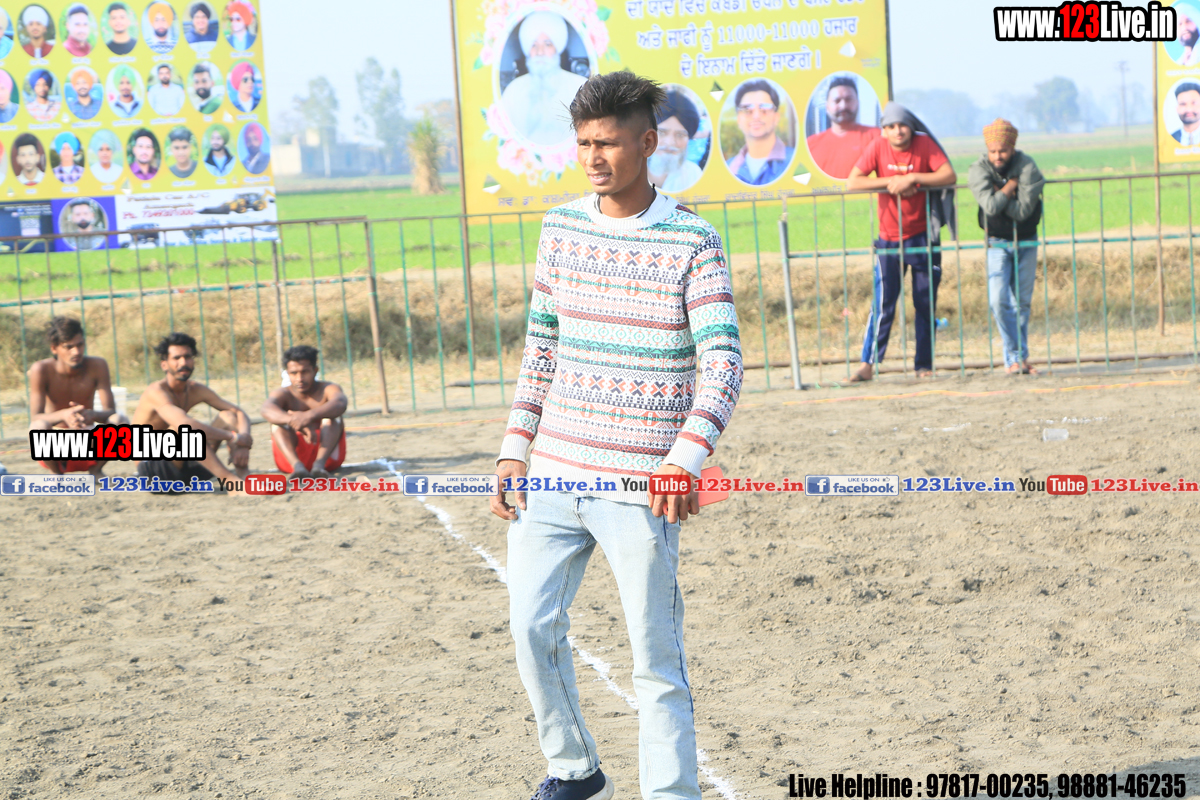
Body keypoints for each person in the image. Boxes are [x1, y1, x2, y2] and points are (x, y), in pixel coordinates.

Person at [490, 71, 743, 800]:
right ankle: (575, 770)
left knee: (654, 660)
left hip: (643, 488)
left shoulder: (693, 239)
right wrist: (514, 449)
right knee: (530, 630)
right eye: (583, 143)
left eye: (607, 142)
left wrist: (683, 461)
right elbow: (541, 347)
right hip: (552, 474)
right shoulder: (560, 229)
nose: (594, 157)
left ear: (649, 142)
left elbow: (723, 363)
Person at [846, 103, 957, 381]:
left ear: (911, 127)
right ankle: (868, 364)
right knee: (883, 304)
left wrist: (913, 179)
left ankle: (923, 365)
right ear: (884, 130)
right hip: (888, 240)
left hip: (923, 237)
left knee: (925, 303)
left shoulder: (924, 144)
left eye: (902, 125)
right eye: (891, 126)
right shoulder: (877, 146)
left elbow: (948, 175)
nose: (898, 131)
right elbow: (854, 182)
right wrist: (891, 182)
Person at [967, 118, 1045, 376]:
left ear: (1012, 148)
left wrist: (999, 193)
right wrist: (1011, 186)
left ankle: (1016, 359)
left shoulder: (1027, 166)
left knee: (1022, 303)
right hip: (997, 242)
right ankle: (1016, 357)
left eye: (1003, 151)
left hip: (1026, 240)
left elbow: (1023, 211)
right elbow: (989, 207)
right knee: (998, 300)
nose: (997, 156)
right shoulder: (979, 169)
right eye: (993, 151)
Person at [132, 332, 253, 493]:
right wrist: (233, 437)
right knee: (183, 429)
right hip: (155, 473)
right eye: (176, 358)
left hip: (189, 471)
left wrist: (244, 441)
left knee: (228, 416)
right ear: (164, 365)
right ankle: (231, 482)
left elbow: (238, 412)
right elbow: (185, 425)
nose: (183, 362)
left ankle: (243, 474)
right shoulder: (156, 392)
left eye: (188, 357)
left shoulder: (195, 389)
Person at [28, 317, 127, 475]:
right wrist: (64, 415)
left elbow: (110, 411)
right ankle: (56, 474)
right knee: (37, 427)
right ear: (54, 348)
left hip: (89, 444)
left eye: (80, 345)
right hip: (57, 448)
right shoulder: (41, 369)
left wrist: (91, 415)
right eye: (69, 347)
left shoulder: (98, 365)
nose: (76, 352)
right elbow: (35, 417)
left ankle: (96, 471)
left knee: (120, 420)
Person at [500, 11, 587, 146]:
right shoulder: (513, 90)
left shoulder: (580, 87)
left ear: (557, 48)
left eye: (547, 44)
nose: (540, 52)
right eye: (534, 45)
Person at [262, 345, 349, 479]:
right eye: (294, 373)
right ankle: (298, 466)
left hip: (328, 461)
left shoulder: (328, 388)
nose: (300, 378)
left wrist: (308, 416)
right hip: (290, 464)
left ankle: (319, 465)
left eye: (305, 372)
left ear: (315, 371)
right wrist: (294, 421)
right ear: (287, 373)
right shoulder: (283, 393)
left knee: (333, 417)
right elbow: (266, 409)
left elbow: (340, 403)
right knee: (277, 423)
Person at [805, 76, 880, 179]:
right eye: (837, 100)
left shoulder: (877, 137)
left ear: (857, 103)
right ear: (827, 106)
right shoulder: (810, 145)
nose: (843, 105)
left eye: (848, 100)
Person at [725, 79, 794, 185]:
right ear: (738, 119)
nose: (756, 116)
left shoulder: (795, 160)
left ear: (776, 117)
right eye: (747, 110)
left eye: (764, 109)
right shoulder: (728, 168)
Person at [648, 89, 704, 192]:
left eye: (680, 135)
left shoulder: (693, 175)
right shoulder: (630, 172)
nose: (670, 143)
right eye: (662, 133)